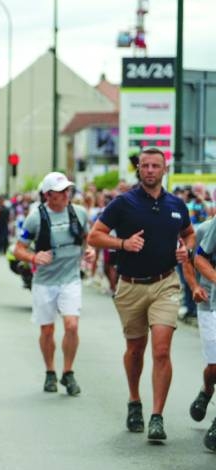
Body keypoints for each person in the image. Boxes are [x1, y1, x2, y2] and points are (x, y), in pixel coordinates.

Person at [87, 147, 200, 441]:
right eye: (145, 165)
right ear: (139, 169)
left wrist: (186, 249)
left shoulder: (176, 204)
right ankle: (134, 400)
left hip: (166, 283)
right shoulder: (123, 203)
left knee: (161, 350)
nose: (150, 170)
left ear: (165, 169)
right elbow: (94, 235)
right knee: (136, 349)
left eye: (155, 166)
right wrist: (123, 244)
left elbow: (189, 233)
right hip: (131, 285)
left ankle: (157, 416)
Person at [13, 172, 93, 396]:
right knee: (47, 330)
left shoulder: (79, 213)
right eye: (61, 191)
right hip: (45, 282)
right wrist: (33, 257)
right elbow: (18, 248)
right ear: (48, 195)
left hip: (70, 279)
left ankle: (68, 372)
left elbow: (88, 237)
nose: (66, 194)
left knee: (72, 325)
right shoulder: (35, 217)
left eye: (67, 190)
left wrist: (89, 250)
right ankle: (50, 371)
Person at [189, 216, 216, 450]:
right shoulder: (207, 228)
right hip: (210, 303)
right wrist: (195, 286)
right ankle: (207, 389)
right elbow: (194, 259)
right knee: (215, 367)